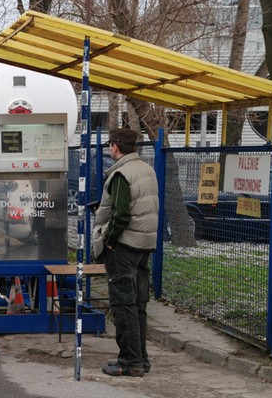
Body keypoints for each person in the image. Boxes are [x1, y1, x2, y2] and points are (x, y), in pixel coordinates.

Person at [93, 128, 159, 377]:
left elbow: (121, 213)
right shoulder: (146, 169)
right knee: (139, 305)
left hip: (124, 246)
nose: (110, 149)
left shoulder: (121, 173)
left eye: (110, 144)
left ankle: (129, 362)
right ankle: (141, 359)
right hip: (143, 245)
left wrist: (108, 241)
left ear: (116, 146)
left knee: (123, 305)